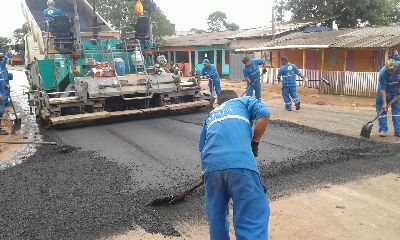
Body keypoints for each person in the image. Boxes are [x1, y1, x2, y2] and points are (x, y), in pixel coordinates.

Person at [199, 96, 270, 240]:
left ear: (220, 103)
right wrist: (255, 142)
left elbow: (202, 148)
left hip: (211, 169)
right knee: (251, 214)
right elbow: (264, 114)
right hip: (241, 165)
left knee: (216, 216)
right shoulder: (245, 101)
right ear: (234, 97)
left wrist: (205, 173)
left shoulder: (211, 115)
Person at [376, 59, 400, 137]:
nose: (391, 72)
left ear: (396, 67)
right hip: (384, 92)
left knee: (397, 111)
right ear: (386, 68)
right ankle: (383, 130)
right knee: (382, 110)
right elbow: (382, 89)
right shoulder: (382, 73)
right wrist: (384, 103)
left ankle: (398, 131)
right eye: (389, 71)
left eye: (392, 70)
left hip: (395, 91)